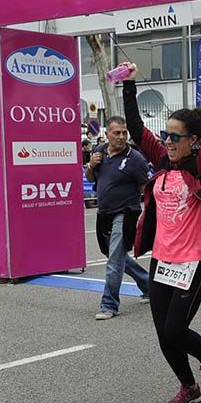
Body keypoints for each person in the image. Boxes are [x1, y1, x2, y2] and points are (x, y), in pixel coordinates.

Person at [121, 63, 201, 403]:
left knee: (175, 329)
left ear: (194, 141)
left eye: (175, 137)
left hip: (194, 260)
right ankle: (188, 385)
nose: (167, 142)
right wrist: (130, 85)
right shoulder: (162, 161)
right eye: (165, 135)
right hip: (162, 259)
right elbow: (136, 129)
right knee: (163, 332)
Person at [86, 116, 152, 320]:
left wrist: (149, 215)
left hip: (125, 213)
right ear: (107, 134)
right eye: (117, 133)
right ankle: (149, 285)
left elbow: (146, 189)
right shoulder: (99, 152)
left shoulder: (136, 159)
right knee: (116, 256)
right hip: (103, 213)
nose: (122, 137)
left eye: (124, 132)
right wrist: (90, 166)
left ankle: (109, 305)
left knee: (114, 261)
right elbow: (92, 179)